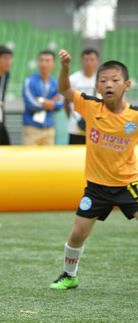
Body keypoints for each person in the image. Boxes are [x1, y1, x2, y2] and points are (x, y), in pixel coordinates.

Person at [49, 50, 138, 290]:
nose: (109, 84)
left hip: (128, 185)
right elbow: (65, 91)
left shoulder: (135, 116)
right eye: (103, 80)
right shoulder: (90, 106)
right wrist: (65, 66)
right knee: (77, 233)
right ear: (97, 87)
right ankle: (69, 276)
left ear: (127, 85)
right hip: (96, 188)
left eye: (115, 80)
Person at [22, 50, 65, 145]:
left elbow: (60, 104)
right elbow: (31, 104)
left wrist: (42, 100)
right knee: (29, 159)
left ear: (53, 63)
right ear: (38, 62)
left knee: (48, 160)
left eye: (47, 60)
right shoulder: (29, 81)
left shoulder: (56, 83)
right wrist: (51, 102)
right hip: (32, 129)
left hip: (49, 129)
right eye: (41, 60)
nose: (44, 64)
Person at [66, 48, 100, 144]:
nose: (89, 63)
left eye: (92, 60)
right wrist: (73, 117)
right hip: (75, 128)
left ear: (97, 61)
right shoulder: (73, 79)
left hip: (96, 127)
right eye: (86, 60)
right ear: (82, 61)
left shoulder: (102, 79)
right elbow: (66, 102)